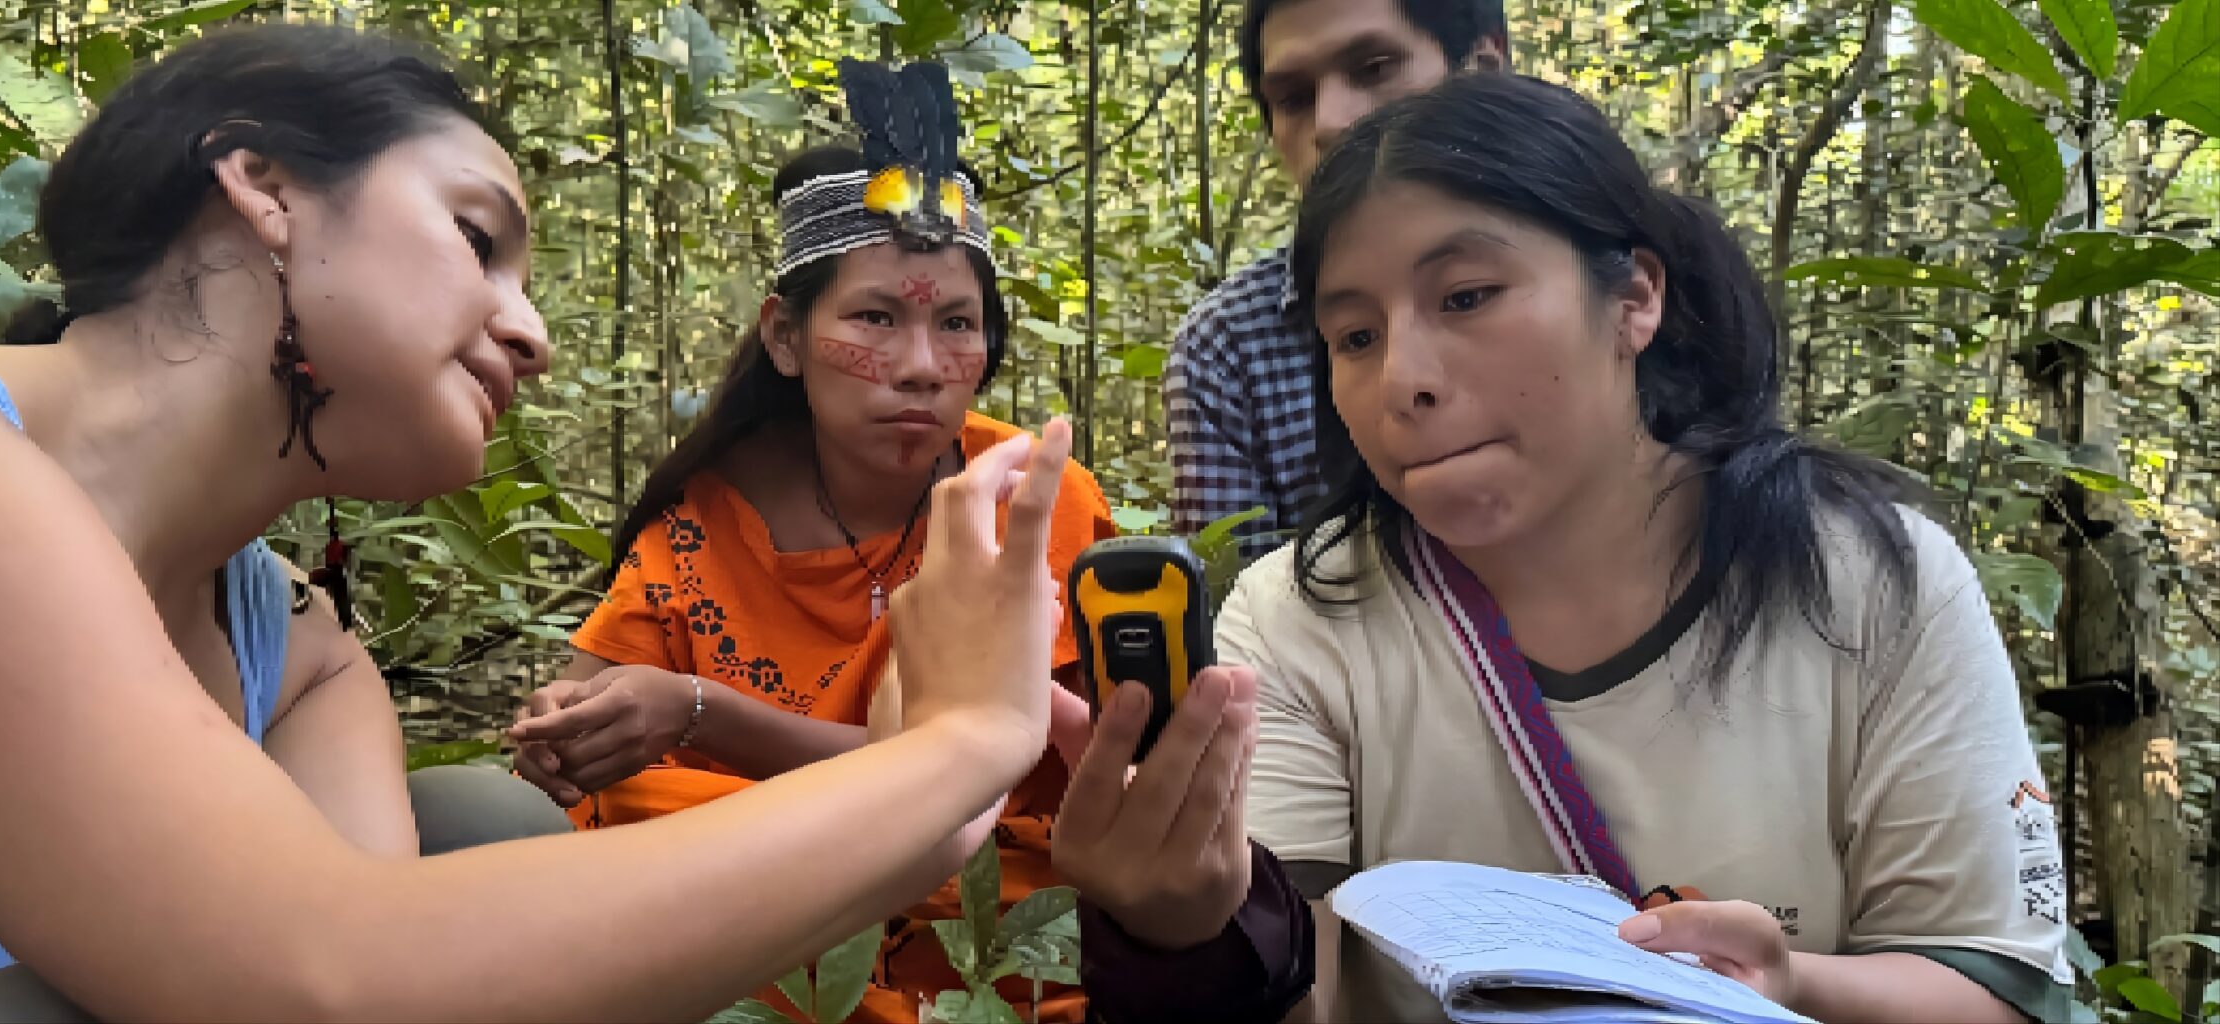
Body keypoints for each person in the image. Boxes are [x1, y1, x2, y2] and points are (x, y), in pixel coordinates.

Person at [0, 26, 1077, 1022]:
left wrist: (944, 767)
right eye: (477, 239)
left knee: (480, 824)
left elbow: (418, 981)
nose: (529, 331)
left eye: (956, 327)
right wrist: (954, 751)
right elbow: (325, 977)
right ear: (263, 188)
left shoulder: (298, 646)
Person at [1061, 73, 2073, 1023]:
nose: (1402, 379)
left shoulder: (1870, 582)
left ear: (1633, 298)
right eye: (1355, 337)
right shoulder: (1299, 621)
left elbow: (1994, 986)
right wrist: (1178, 929)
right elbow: (1300, 989)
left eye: (1465, 297)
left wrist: (1787, 982)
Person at [510, 73, 1117, 1017]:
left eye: (957, 324)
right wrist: (565, 732)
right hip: (753, 876)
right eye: (877, 318)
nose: (921, 367)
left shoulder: (1031, 497)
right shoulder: (707, 516)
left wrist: (699, 712)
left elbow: (976, 776)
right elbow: (582, 693)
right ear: (786, 337)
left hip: (972, 901)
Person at [1167, 0, 1507, 561]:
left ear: (1482, 67)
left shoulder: (1604, 258)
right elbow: (1231, 596)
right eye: (1294, 98)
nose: (1331, 122)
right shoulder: (1230, 344)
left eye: (1374, 68)